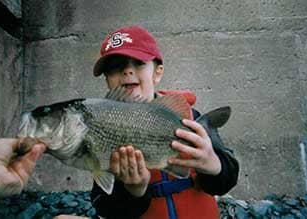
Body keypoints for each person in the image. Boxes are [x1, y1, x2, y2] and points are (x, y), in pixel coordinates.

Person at [90, 25, 239, 219]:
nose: (127, 71)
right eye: (114, 67)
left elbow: (225, 182)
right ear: (106, 80)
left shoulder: (190, 119)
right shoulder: (102, 127)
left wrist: (214, 164)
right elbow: (106, 208)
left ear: (157, 72)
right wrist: (134, 190)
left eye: (138, 63)